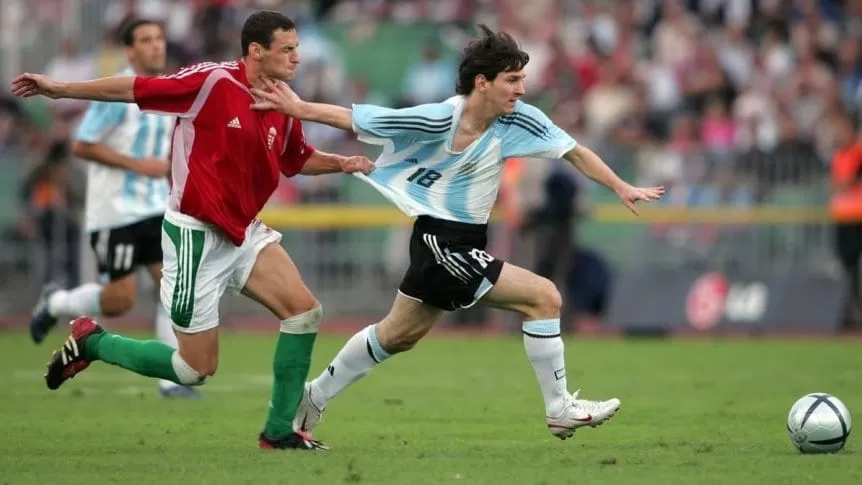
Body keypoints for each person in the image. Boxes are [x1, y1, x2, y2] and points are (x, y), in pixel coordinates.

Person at [249, 25, 664, 443]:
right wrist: (298, 108)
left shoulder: (520, 119)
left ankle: (313, 397)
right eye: (512, 80)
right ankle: (559, 409)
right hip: (439, 242)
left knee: (397, 335)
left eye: (522, 79)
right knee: (545, 297)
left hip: (462, 242)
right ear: (482, 83)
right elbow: (362, 118)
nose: (522, 89)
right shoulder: (440, 118)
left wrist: (620, 186)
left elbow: (574, 151)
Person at [11, 10, 374, 450]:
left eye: (297, 48)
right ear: (256, 51)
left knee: (303, 313)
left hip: (244, 232)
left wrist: (342, 163)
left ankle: (279, 432)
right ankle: (92, 342)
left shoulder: (284, 99)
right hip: (195, 236)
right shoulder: (213, 83)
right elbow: (135, 88)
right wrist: (61, 88)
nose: (298, 57)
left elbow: (294, 159)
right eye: (288, 49)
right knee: (193, 369)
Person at [27, 18, 201, 399]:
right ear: (130, 50)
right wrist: (139, 166)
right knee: (119, 301)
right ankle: (56, 301)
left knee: (170, 286)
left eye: (159, 38)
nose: (157, 46)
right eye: (146, 40)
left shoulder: (168, 91)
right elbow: (83, 144)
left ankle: (171, 381)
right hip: (115, 212)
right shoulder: (118, 92)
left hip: (156, 207)